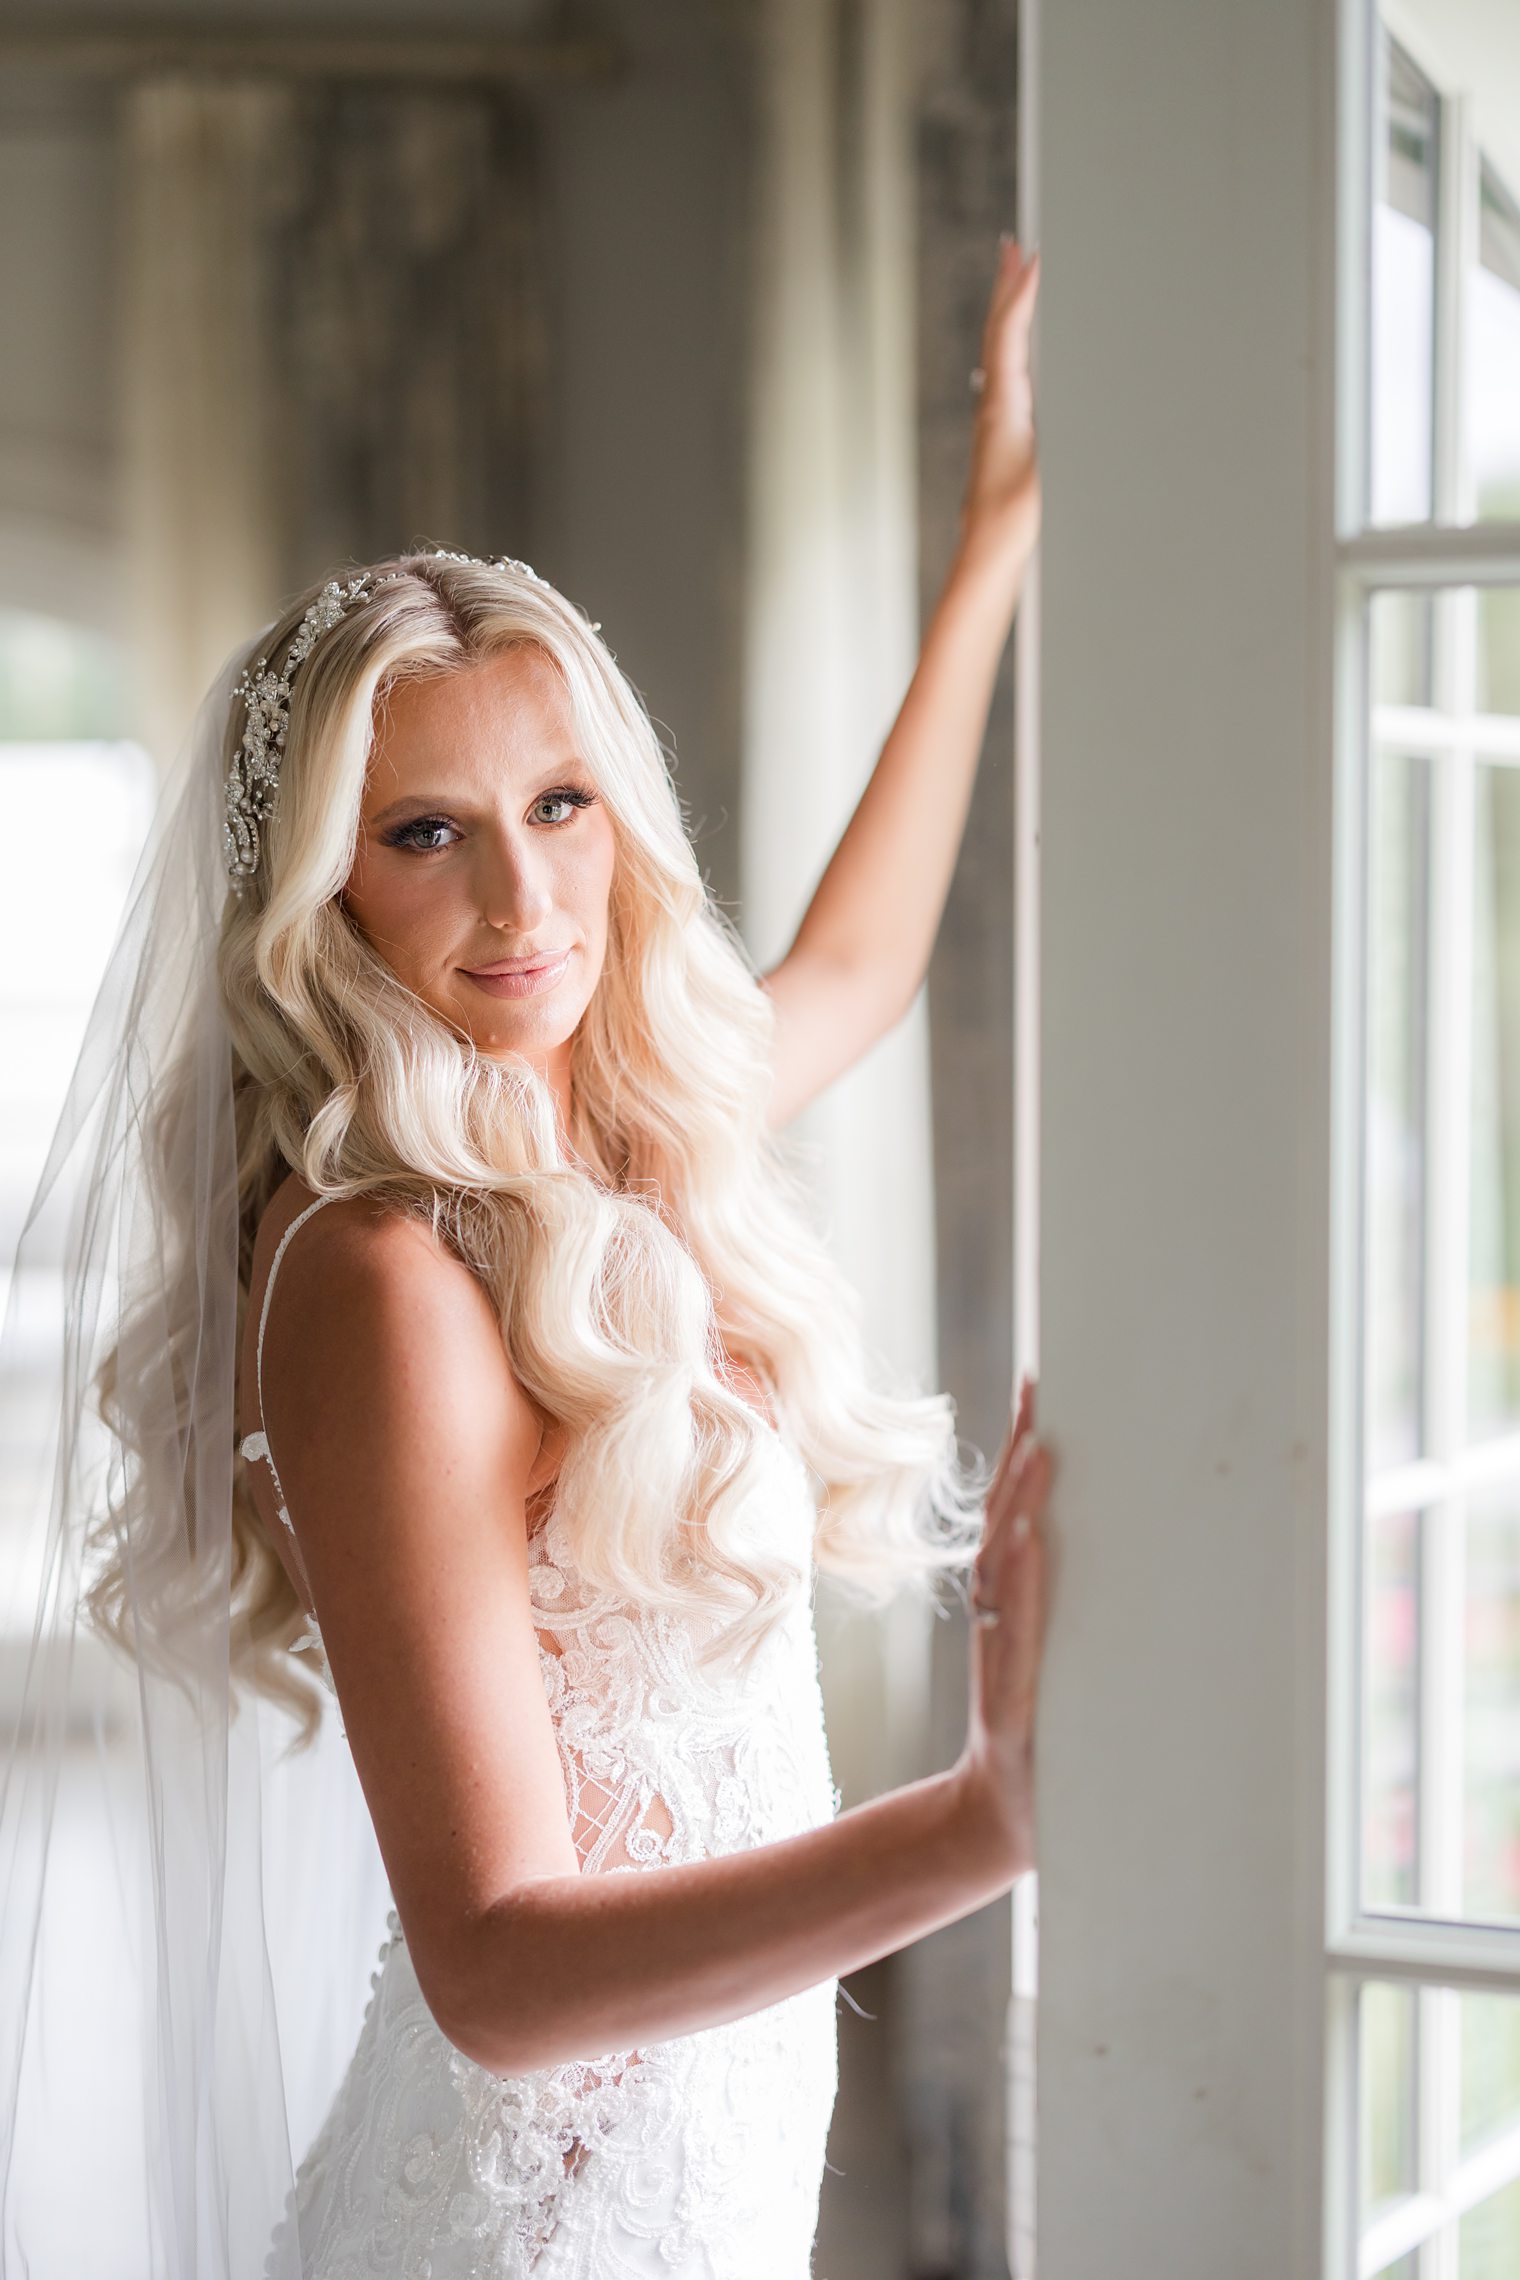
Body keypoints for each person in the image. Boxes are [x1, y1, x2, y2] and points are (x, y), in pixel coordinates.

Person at [0, 241, 1049, 2278]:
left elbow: (853, 965)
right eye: (422, 834)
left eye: (560, 805)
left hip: (703, 2192)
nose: (521, 900)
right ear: (314, 896)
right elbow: (495, 1971)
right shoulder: (386, 1275)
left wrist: (998, 530)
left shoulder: (620, 1143)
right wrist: (983, 1822)